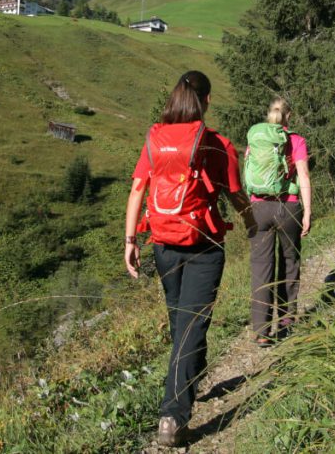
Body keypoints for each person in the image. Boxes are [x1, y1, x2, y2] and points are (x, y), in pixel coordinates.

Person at [123, 70, 253, 448]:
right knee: (190, 327)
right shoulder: (216, 144)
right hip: (204, 245)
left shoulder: (155, 138)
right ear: (206, 101)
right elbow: (235, 193)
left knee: (182, 321)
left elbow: (137, 190)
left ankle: (191, 381)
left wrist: (131, 240)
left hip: (162, 243)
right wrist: (251, 222)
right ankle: (172, 416)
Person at [244, 97, 312, 346]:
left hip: (258, 207)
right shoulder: (296, 140)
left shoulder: (256, 138)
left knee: (261, 268)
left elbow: (249, 172)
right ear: (288, 117)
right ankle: (286, 321)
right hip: (288, 206)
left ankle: (261, 331)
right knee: (289, 262)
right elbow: (303, 174)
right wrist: (307, 211)